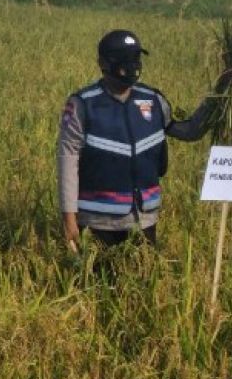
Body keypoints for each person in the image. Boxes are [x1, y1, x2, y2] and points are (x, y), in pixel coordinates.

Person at [59, 29, 229, 249]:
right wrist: (69, 219)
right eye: (124, 60)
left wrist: (221, 91)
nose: (132, 65)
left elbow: (190, 131)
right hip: (98, 220)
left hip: (145, 219)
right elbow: (67, 162)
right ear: (103, 62)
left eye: (136, 58)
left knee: (143, 277)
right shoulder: (83, 105)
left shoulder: (153, 100)